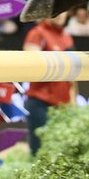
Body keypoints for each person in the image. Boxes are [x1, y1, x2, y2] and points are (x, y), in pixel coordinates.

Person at [23, 12, 76, 155]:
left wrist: (73, 102)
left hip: (62, 105)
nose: (60, 14)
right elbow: (31, 65)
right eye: (57, 10)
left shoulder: (67, 37)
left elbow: (72, 75)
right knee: (39, 151)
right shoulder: (37, 33)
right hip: (40, 103)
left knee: (62, 152)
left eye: (64, 10)